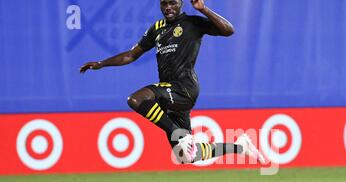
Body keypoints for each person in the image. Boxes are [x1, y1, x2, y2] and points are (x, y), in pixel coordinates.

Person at [80, 0, 265, 165]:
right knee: (186, 156)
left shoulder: (193, 23)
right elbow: (131, 55)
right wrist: (101, 64)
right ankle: (240, 146)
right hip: (169, 93)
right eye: (164, 4)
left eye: (173, 3)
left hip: (184, 88)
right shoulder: (157, 28)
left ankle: (182, 136)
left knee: (136, 99)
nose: (168, 7)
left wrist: (204, 9)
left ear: (181, 3)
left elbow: (228, 30)